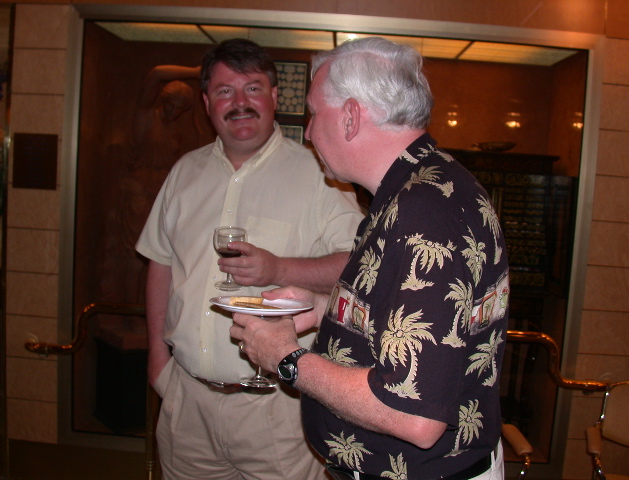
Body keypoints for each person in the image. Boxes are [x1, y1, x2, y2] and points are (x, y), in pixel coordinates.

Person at [230, 37, 510, 480]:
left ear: (350, 116)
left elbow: (413, 416)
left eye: (313, 113)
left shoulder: (422, 212)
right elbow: (417, 322)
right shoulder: (422, 185)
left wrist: (286, 357)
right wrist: (322, 308)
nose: (308, 132)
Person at [136, 39, 363, 480]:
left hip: (278, 413)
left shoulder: (321, 175)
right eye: (225, 91)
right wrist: (158, 361)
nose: (239, 102)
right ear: (207, 103)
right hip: (187, 406)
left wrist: (279, 269)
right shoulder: (183, 172)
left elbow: (356, 268)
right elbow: (160, 263)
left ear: (275, 96)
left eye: (253, 88)